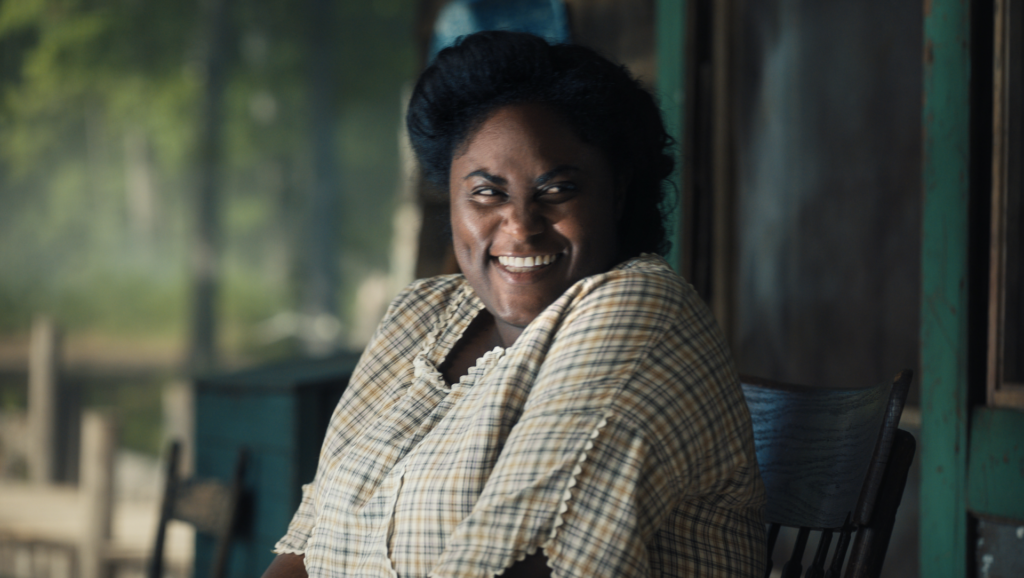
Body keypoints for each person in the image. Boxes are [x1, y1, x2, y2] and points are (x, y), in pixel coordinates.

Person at [262, 31, 765, 578]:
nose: (521, 226)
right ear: (450, 199)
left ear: (615, 192)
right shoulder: (419, 317)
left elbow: (521, 562)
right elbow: (308, 545)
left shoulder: (641, 309)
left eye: (557, 190)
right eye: (487, 192)